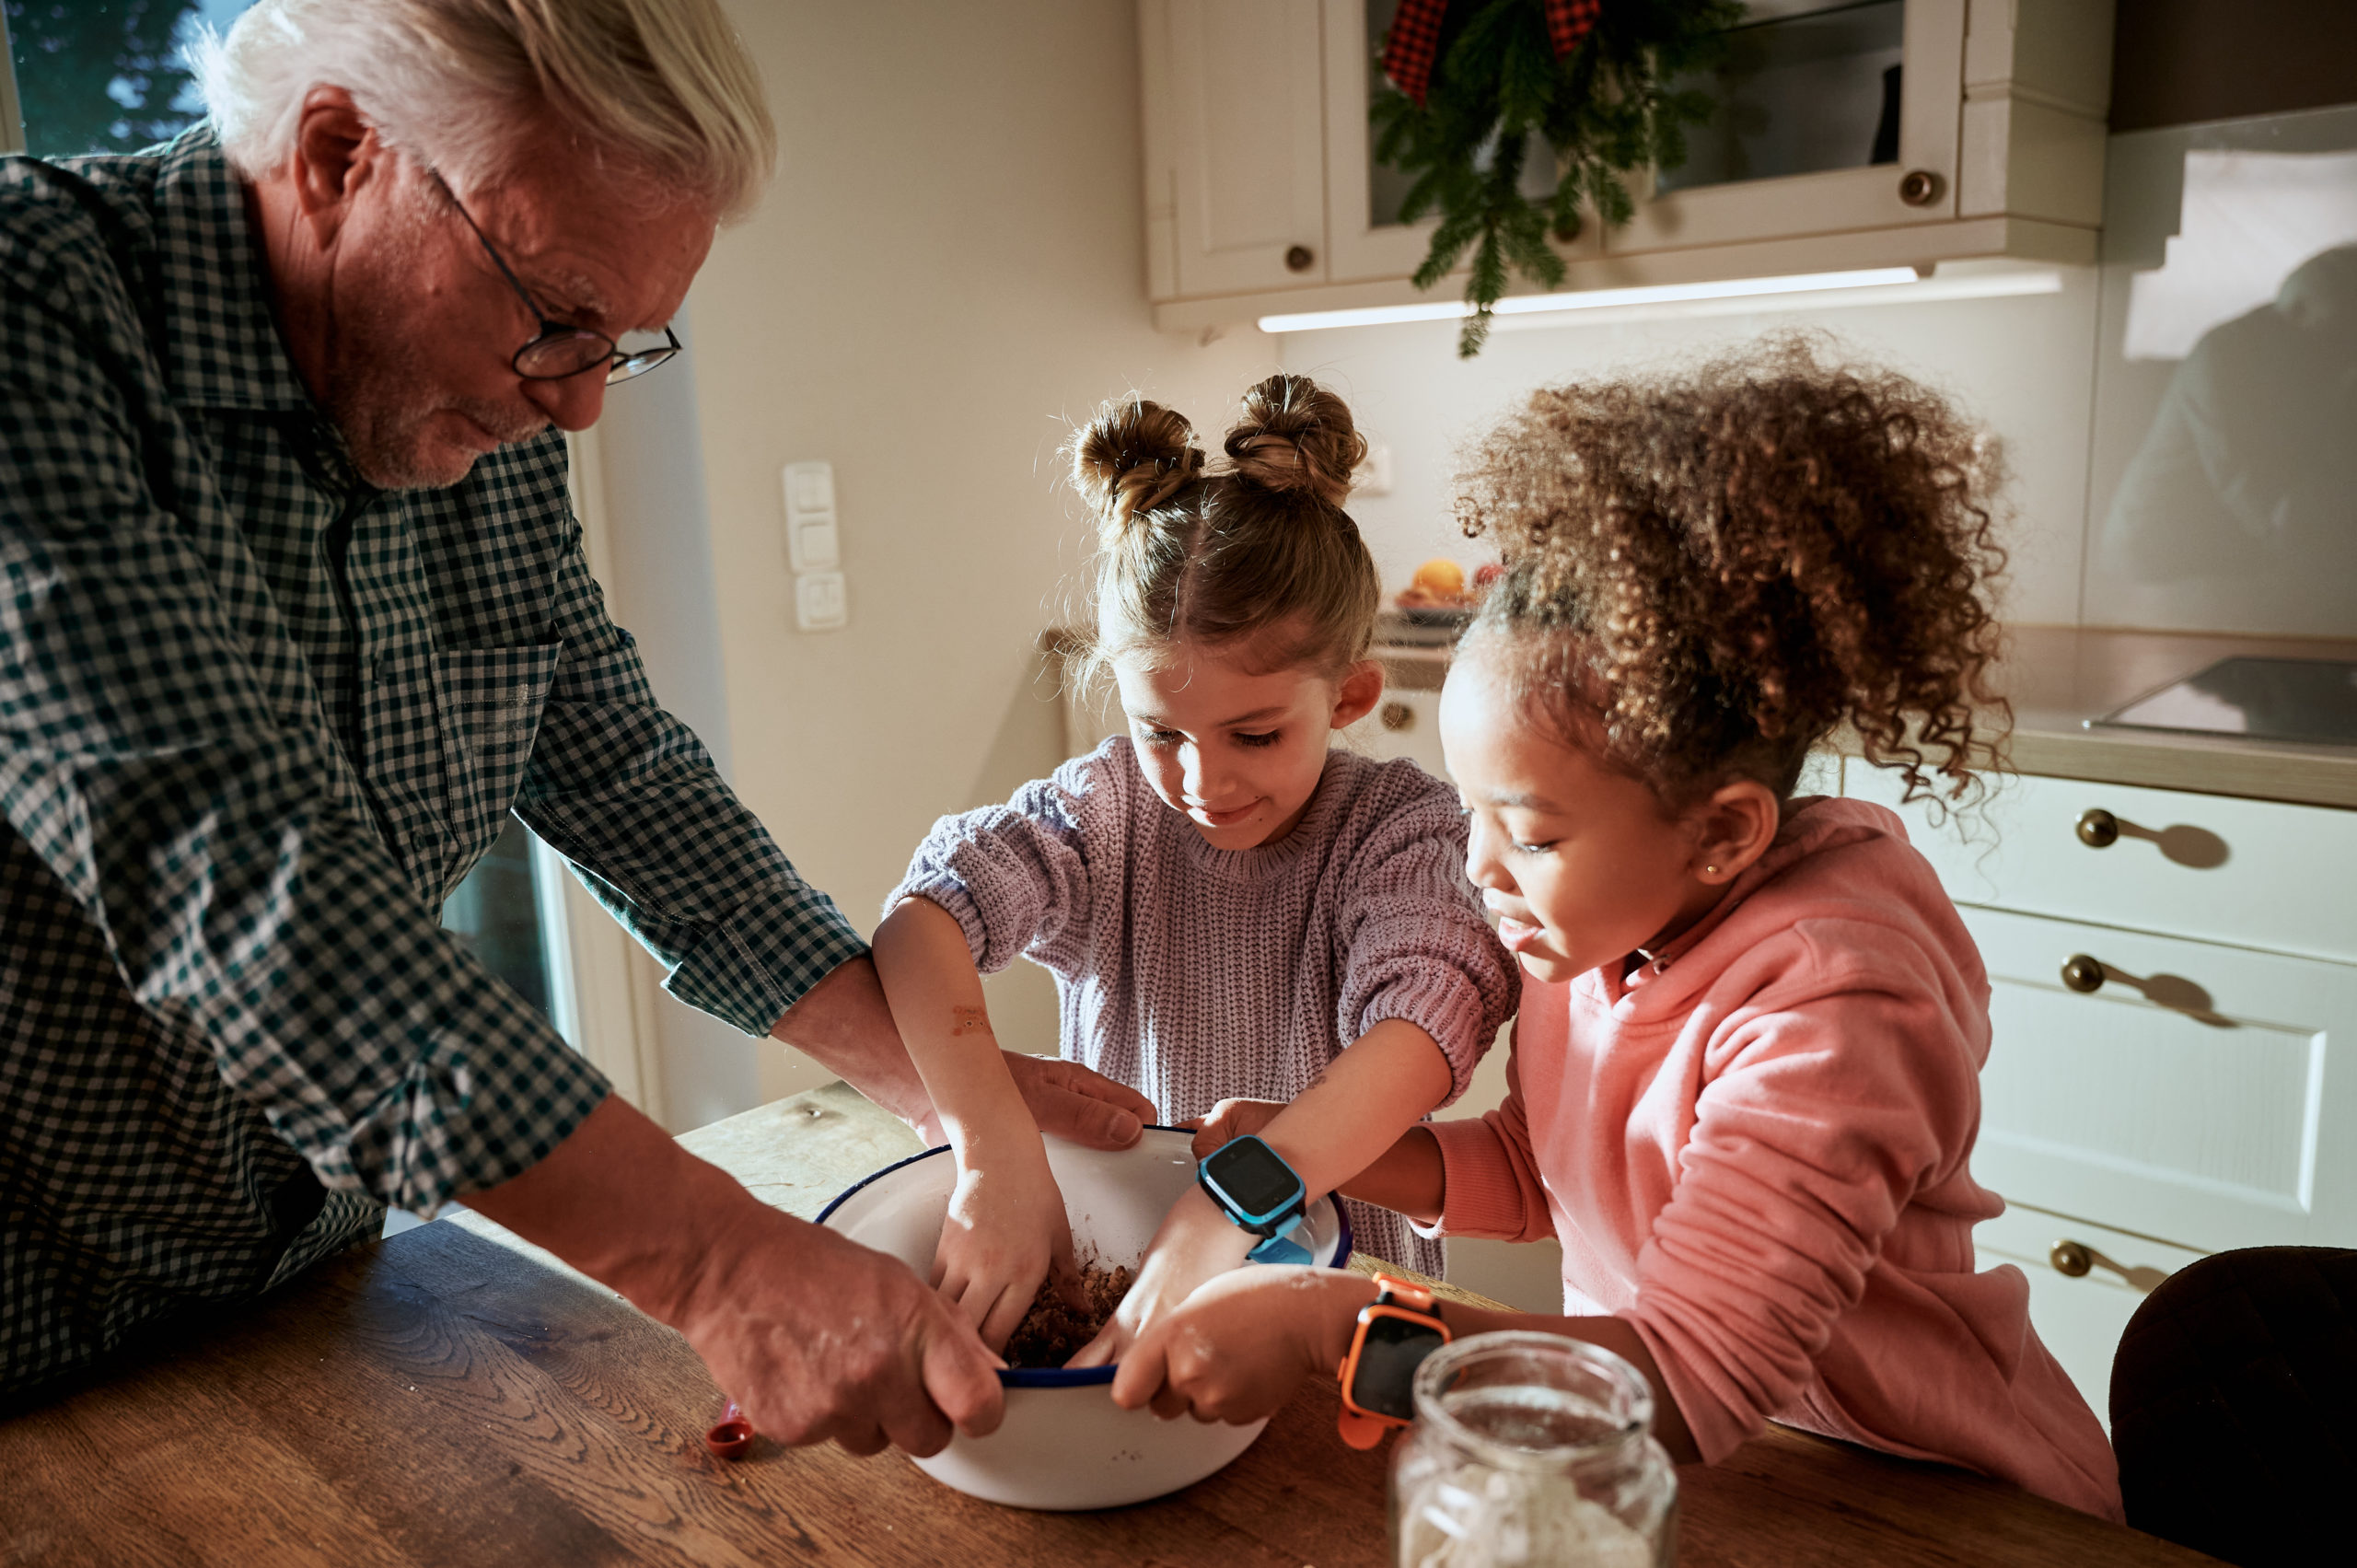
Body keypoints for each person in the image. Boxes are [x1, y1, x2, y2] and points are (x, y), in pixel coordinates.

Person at [0, 0, 1154, 1454]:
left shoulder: (485, 395)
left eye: (621, 341)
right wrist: (719, 1261)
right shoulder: (30, 310)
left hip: (300, 1277)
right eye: (555, 314)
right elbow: (236, 874)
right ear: (341, 151)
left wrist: (940, 1083)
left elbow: (611, 759)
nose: (585, 403)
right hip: (34, 1327)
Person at [1111, 341, 2125, 1520]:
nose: (1478, 867)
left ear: (1722, 831)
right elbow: (1544, 1173)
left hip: (1911, 1494)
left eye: (1530, 833)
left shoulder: (1836, 1008)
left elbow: (1695, 1377)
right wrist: (1317, 1147)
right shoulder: (1603, 929)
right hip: (1667, 1464)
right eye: (1473, 812)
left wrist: (1329, 1329)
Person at [867, 377, 1518, 1354]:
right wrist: (990, 1142)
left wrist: (1230, 1203)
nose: (1202, 781)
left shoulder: (1399, 832)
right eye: (1161, 731)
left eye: (1254, 735)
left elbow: (1418, 1032)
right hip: (1116, 1263)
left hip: (1331, 1314)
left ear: (1349, 696)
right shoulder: (1107, 808)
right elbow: (922, 921)